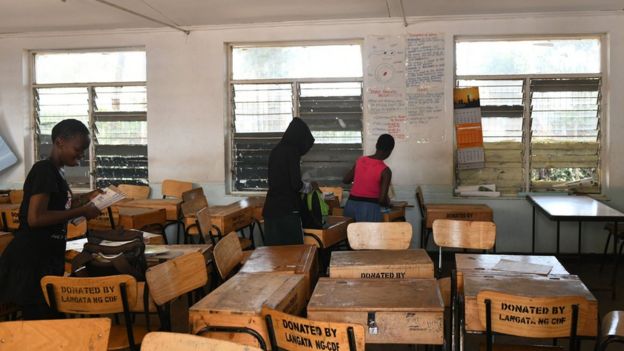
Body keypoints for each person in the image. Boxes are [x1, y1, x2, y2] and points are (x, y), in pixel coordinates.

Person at [0, 119, 102, 320]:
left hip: (45, 256)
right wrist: (82, 210)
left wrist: (87, 197)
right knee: (41, 324)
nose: (81, 156)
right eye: (78, 149)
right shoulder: (44, 170)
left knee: (49, 319)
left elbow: (58, 207)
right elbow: (36, 218)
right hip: (30, 260)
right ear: (60, 142)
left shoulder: (57, 172)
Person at [262, 118, 315, 246]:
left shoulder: (276, 150)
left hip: (271, 210)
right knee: (293, 255)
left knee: (274, 256)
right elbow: (295, 184)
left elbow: (282, 179)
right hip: (287, 211)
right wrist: (309, 187)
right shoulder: (292, 151)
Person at [342, 134, 395, 222]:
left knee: (350, 235)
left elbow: (346, 180)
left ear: (376, 145)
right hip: (369, 209)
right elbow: (382, 200)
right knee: (369, 235)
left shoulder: (360, 160)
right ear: (390, 151)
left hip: (350, 206)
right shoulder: (385, 171)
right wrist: (389, 204)